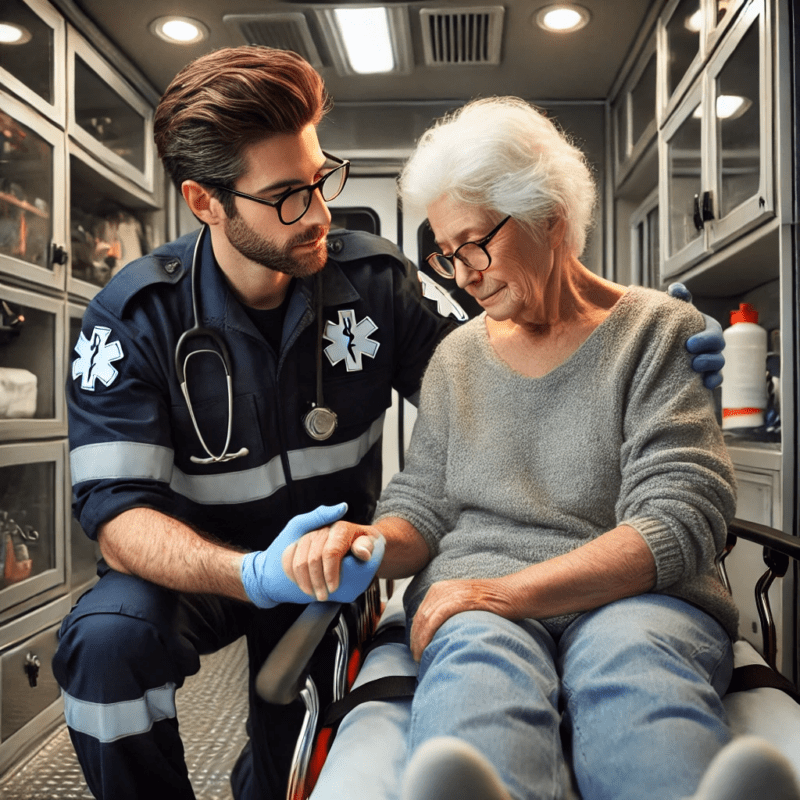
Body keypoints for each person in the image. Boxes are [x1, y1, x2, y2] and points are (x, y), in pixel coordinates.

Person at [54, 46, 724, 800]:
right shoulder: (135, 315)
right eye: (285, 197)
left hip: (325, 568)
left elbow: (495, 372)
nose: (317, 213)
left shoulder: (372, 286)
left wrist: (648, 334)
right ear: (207, 201)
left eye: (319, 180)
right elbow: (117, 518)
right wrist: (251, 574)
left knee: (284, 761)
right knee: (107, 647)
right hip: (199, 565)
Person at [282, 97, 800, 800]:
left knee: (635, 668)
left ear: (547, 216)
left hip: (633, 598)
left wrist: (501, 591)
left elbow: (679, 523)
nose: (460, 274)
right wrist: (368, 543)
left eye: (473, 244)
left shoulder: (656, 333)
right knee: (475, 669)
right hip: (477, 603)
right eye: (445, 253)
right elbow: (424, 505)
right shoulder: (456, 358)